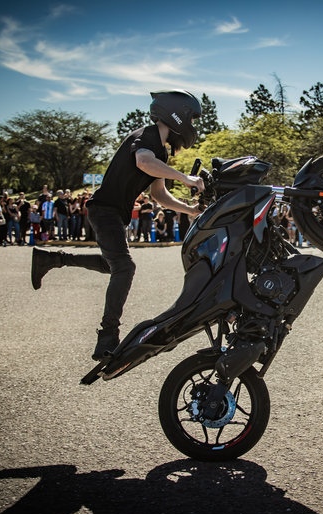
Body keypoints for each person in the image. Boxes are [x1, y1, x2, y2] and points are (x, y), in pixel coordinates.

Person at [30, 90, 204, 360]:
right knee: (124, 267)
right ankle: (107, 336)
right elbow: (143, 162)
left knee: (112, 265)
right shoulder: (146, 135)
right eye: (191, 119)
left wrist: (189, 209)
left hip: (111, 213)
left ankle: (52, 259)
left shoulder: (160, 151)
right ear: (176, 113)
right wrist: (186, 179)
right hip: (105, 211)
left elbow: (158, 194)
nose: (191, 126)